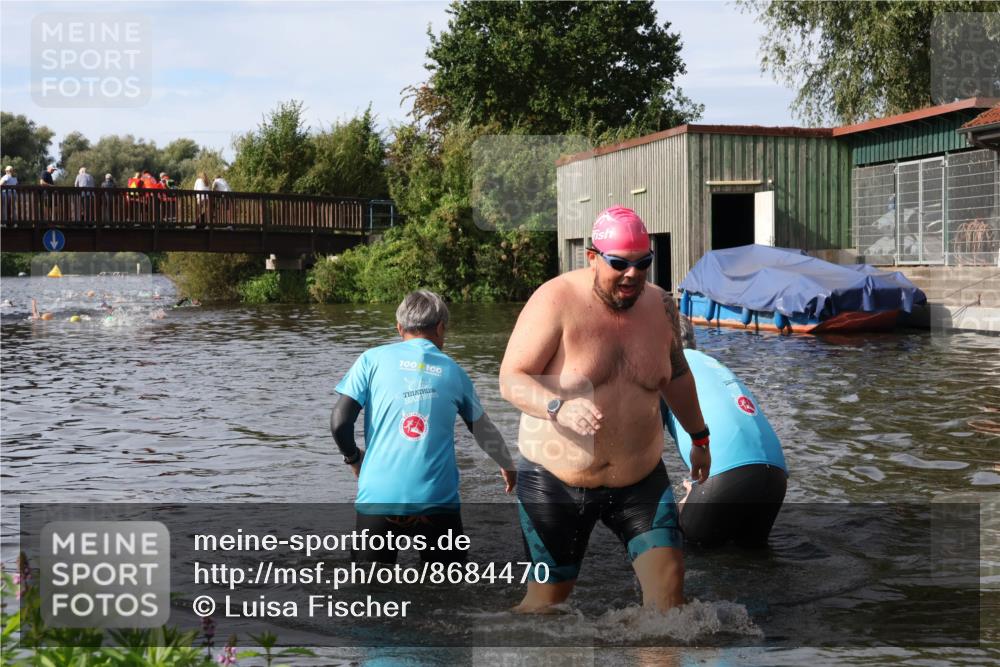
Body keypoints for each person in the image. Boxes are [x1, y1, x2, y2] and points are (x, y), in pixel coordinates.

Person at [499, 206, 709, 613]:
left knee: (669, 603)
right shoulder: (555, 300)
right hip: (556, 480)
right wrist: (557, 406)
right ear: (592, 257)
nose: (632, 274)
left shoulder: (661, 306)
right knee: (546, 607)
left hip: (640, 480)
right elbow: (511, 379)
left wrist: (699, 437)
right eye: (619, 264)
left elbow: (678, 376)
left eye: (642, 264)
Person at [331, 290, 517, 564]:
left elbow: (339, 423)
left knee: (368, 591)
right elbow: (483, 429)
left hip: (380, 497)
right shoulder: (454, 371)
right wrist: (507, 464)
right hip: (436, 500)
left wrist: (354, 458)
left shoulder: (370, 360)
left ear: (399, 328)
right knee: (447, 591)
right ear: (441, 327)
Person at [664, 319, 788, 548]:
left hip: (725, 475)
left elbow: (643, 450)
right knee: (752, 562)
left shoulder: (666, 369)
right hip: (776, 475)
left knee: (680, 553)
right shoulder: (711, 363)